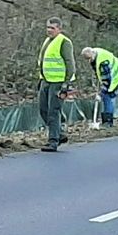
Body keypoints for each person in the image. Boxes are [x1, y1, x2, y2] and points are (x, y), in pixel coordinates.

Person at [37, 17, 75, 152]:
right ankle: (59, 133)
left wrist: (66, 84)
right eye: (48, 27)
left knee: (54, 111)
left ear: (59, 29)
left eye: (52, 28)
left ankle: (53, 141)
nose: (49, 30)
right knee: (43, 109)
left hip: (58, 82)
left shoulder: (64, 42)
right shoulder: (48, 41)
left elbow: (70, 64)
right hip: (46, 81)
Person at [81, 47, 118, 128]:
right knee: (106, 96)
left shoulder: (102, 62)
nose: (88, 61)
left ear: (92, 54)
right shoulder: (95, 53)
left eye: (89, 59)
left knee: (107, 96)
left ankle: (108, 122)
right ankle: (106, 120)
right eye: (86, 59)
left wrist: (101, 94)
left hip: (117, 76)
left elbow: (106, 81)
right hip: (112, 75)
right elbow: (98, 73)